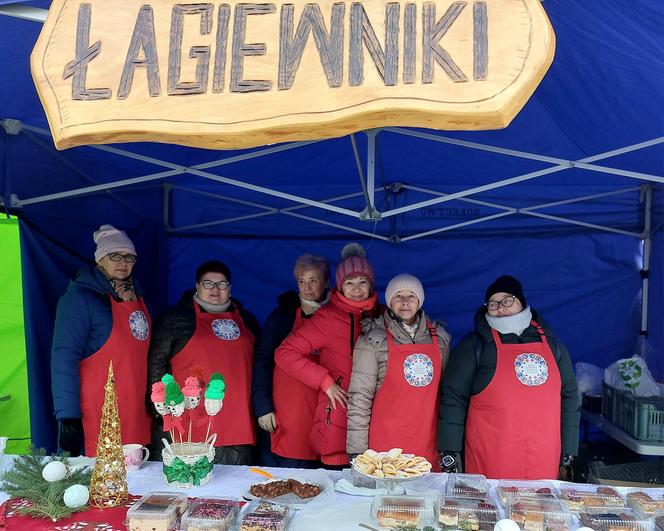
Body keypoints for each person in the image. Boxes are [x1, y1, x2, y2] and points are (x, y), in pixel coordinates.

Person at [438, 275, 579, 479]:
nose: (501, 308)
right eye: (493, 304)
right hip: (490, 455)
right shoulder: (475, 346)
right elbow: (453, 397)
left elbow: (570, 395)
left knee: (535, 508)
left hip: (542, 454)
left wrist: (569, 446)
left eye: (507, 300)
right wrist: (449, 449)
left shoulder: (553, 345)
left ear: (522, 302)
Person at [275, 244, 382, 466]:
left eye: (362, 282)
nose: (356, 289)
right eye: (349, 283)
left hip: (376, 415)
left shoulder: (382, 314)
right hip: (338, 414)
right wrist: (325, 382)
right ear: (339, 286)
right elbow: (285, 353)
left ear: (371, 284)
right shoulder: (327, 318)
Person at [51, 224, 151, 457]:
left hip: (135, 411)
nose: (122, 262)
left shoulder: (140, 297)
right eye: (114, 255)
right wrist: (68, 416)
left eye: (129, 257)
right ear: (100, 260)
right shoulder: (78, 299)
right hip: (97, 412)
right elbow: (63, 358)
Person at [147, 260, 260, 465]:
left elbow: (261, 367)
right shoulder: (175, 319)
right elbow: (157, 364)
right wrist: (159, 408)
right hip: (190, 418)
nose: (215, 289)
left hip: (238, 421)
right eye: (208, 283)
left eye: (221, 284)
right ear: (197, 286)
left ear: (230, 289)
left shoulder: (248, 320)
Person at [347, 274, 450, 470]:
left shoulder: (440, 339)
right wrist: (357, 451)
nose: (404, 302)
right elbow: (359, 397)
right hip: (384, 447)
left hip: (427, 442)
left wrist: (449, 446)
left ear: (420, 300)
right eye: (398, 296)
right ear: (389, 302)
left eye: (411, 296)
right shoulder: (373, 339)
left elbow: (447, 394)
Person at [252, 254, 330, 467]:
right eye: (301, 282)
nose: (307, 287)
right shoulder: (282, 316)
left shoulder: (337, 315)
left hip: (325, 407)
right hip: (288, 411)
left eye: (313, 280)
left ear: (326, 282)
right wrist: (263, 407)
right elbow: (263, 362)